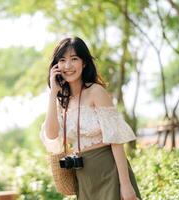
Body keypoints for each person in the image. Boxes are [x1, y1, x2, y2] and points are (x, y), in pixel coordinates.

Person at [39, 37, 142, 200]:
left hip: (109, 171)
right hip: (83, 176)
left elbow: (115, 140)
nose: (68, 66)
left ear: (84, 63)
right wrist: (53, 93)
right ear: (56, 66)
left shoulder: (96, 92)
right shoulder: (61, 100)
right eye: (62, 60)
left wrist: (126, 184)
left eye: (74, 59)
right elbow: (51, 135)